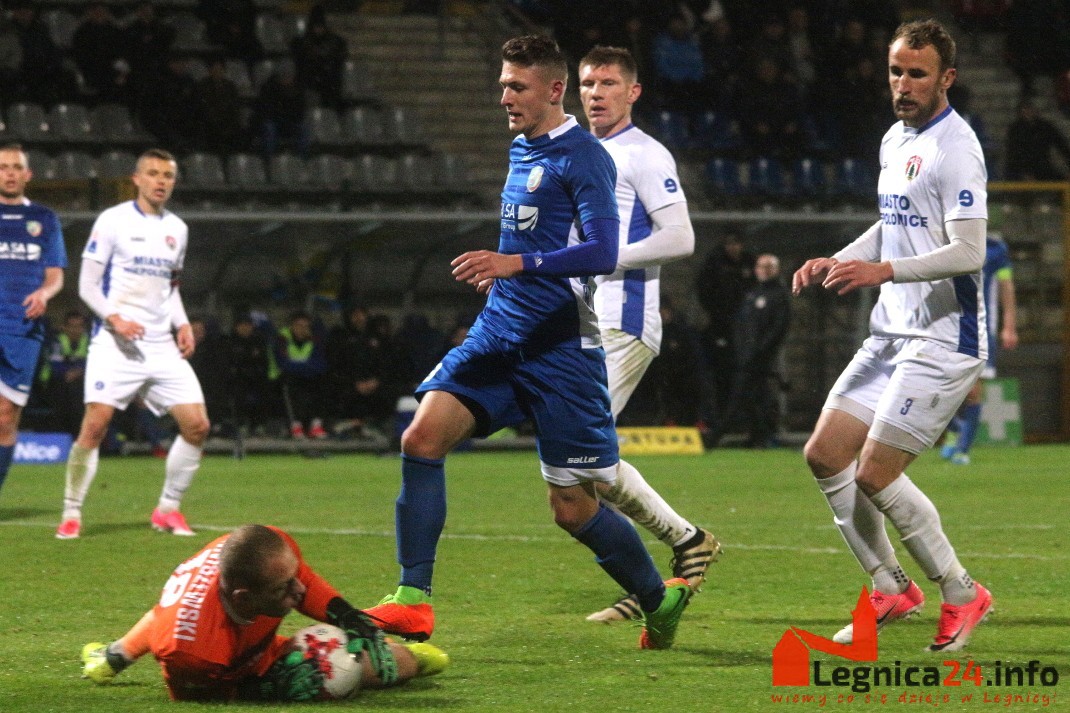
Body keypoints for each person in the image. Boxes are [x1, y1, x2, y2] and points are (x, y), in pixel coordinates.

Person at [365, 35, 692, 650]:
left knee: (571, 506)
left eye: (516, 86)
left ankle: (657, 599)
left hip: (562, 345)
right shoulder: (521, 148)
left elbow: (600, 251)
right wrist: (500, 279)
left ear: (553, 89)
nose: (504, 97)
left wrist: (516, 265)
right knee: (420, 437)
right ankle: (413, 598)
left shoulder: (586, 157)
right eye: (502, 85)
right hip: (500, 331)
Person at [792, 19, 993, 653]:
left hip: (942, 338)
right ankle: (889, 586)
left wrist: (882, 272)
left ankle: (962, 593)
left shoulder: (955, 148)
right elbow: (889, 227)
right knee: (825, 455)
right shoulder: (895, 137)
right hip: (892, 331)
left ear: (947, 78)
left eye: (917, 73)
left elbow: (968, 251)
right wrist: (838, 257)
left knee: (875, 472)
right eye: (895, 71)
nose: (902, 85)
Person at [575, 45, 719, 625]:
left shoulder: (644, 153)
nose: (595, 92)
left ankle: (682, 547)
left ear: (632, 92)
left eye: (608, 82)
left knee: (580, 458)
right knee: (582, 460)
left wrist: (604, 261)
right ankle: (672, 562)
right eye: (587, 82)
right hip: (580, 323)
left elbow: (680, 237)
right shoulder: (579, 152)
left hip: (623, 319)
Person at [80, 524, 447, 701]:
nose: (298, 591)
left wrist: (351, 619)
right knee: (349, 673)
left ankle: (112, 656)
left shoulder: (267, 555)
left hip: (202, 621)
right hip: (208, 650)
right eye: (282, 589)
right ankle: (115, 655)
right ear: (242, 598)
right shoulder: (191, 649)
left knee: (388, 661)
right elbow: (194, 694)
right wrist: (267, 687)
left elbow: (303, 581)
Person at [56, 149, 209, 540]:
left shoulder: (178, 229)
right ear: (136, 179)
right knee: (95, 427)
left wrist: (182, 323)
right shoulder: (113, 221)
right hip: (114, 344)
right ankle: (71, 513)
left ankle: (168, 509)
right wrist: (115, 318)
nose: (161, 181)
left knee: (197, 426)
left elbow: (169, 289)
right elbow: (87, 285)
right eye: (153, 174)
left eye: (168, 175)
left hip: (160, 346)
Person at [0, 144, 66, 498]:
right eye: (3, 167)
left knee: (6, 417)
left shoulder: (44, 219)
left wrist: (44, 293)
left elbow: (55, 275)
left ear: (28, 174)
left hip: (22, 330)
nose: (9, 173)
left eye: (16, 167)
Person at [941, 234, 1018, 464]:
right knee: (942, 387)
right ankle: (956, 428)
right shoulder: (944, 241)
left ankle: (963, 449)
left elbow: (1006, 285)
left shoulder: (995, 249)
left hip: (980, 329)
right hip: (945, 325)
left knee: (974, 390)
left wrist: (1009, 326)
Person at [708, 253, 791, 448]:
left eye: (768, 267)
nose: (763, 271)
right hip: (745, 356)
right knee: (755, 397)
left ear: (776, 270)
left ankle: (715, 437)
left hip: (760, 358)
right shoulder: (753, 294)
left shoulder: (778, 295)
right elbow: (741, 325)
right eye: (761, 267)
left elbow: (778, 328)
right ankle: (760, 436)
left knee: (740, 394)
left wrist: (761, 351)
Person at [276, 311, 328, 439]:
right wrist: (306, 366)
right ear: (292, 326)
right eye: (298, 325)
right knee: (290, 384)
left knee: (322, 382)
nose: (302, 329)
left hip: (308, 376)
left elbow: (321, 364)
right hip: (287, 377)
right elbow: (283, 363)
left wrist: (301, 367)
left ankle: (316, 425)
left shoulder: (316, 339)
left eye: (305, 326)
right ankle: (295, 425)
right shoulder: (282, 338)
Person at [41, 310, 89, 437]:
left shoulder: (89, 342)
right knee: (67, 391)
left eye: (79, 326)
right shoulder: (57, 341)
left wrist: (78, 372)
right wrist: (70, 372)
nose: (75, 330)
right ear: (64, 327)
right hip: (53, 383)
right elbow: (55, 365)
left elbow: (93, 363)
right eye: (72, 326)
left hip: (79, 383)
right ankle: (63, 436)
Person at [1004, 99, 1070, 181]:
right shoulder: (1015, 129)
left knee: (1062, 182)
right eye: (1025, 110)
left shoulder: (1045, 127)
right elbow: (1014, 153)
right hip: (1020, 170)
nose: (1028, 112)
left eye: (1029, 109)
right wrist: (1025, 173)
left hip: (1042, 167)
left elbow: (1061, 145)